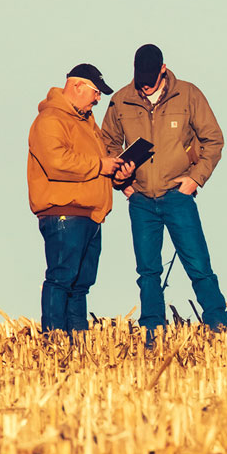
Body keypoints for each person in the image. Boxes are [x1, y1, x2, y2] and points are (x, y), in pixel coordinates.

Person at [101, 43, 227, 333]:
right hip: (141, 200)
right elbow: (108, 144)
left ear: (163, 69)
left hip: (178, 197)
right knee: (148, 271)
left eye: (151, 78)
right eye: (140, 78)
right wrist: (122, 183)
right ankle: (152, 330)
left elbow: (213, 140)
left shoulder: (188, 95)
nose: (145, 85)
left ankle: (218, 325)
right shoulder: (121, 100)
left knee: (198, 264)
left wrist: (196, 178)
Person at [27, 63, 131, 334]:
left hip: (90, 214)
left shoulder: (86, 124)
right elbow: (56, 161)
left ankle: (77, 342)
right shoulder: (50, 120)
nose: (98, 99)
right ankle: (55, 340)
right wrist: (101, 165)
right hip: (65, 212)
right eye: (96, 92)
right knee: (61, 279)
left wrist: (117, 172)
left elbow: (98, 165)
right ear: (76, 86)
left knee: (80, 284)